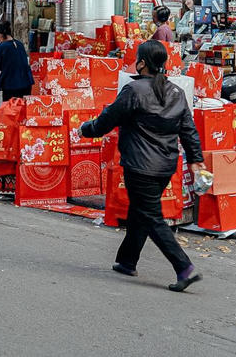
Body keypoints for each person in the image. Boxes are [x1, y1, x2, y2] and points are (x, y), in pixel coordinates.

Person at [80, 40, 205, 291]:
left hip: (141, 165)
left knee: (150, 216)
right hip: (165, 166)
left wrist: (86, 129)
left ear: (142, 62)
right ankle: (127, 261)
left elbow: (107, 119)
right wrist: (195, 161)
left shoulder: (134, 90)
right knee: (141, 211)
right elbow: (189, 131)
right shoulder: (176, 93)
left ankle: (184, 267)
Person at [0, 21, 33, 100]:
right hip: (26, 83)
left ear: (0, 35)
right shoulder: (20, 44)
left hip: (11, 85)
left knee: (11, 110)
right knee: (23, 109)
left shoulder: (3, 46)